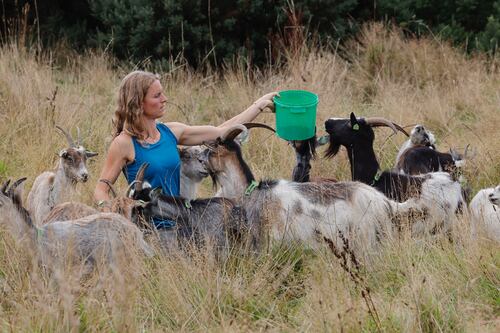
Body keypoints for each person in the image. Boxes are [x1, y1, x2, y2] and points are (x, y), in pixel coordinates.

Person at [94, 70, 276, 247]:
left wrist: (259, 104)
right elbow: (101, 189)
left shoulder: (170, 132)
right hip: (150, 234)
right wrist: (111, 213)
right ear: (138, 103)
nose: (165, 99)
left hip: (182, 225)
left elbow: (222, 132)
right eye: (157, 96)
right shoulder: (123, 144)